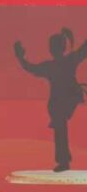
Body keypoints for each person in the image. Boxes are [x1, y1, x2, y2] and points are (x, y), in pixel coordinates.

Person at [15, 28, 87, 172]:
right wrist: (21, 58)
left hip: (64, 101)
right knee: (59, 125)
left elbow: (31, 68)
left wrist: (21, 58)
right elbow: (83, 51)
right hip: (65, 101)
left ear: (52, 49)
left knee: (59, 127)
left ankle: (64, 161)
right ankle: (64, 160)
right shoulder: (67, 61)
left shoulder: (52, 66)